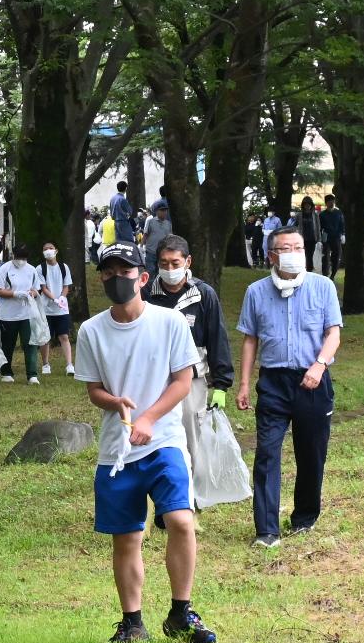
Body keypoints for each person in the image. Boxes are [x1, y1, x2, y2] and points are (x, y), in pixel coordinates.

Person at [74, 243, 209, 643]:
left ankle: (181, 612)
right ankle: (132, 622)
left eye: (126, 270)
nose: (118, 278)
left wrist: (149, 418)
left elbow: (183, 381)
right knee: (127, 537)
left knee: (182, 522)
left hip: (164, 440)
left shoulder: (169, 322)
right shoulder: (91, 330)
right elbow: (93, 389)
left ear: (143, 277)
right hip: (117, 450)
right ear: (101, 278)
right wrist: (115, 403)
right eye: (109, 271)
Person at [236, 228, 341, 548]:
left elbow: (333, 333)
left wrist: (319, 365)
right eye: (285, 248)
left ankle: (304, 518)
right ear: (271, 255)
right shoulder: (256, 291)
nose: (294, 252)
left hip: (313, 381)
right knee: (267, 453)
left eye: (298, 246)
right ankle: (266, 529)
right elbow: (250, 339)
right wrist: (243, 383)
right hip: (273, 382)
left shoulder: (323, 287)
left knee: (312, 453)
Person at [146, 237, 235, 465]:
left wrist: (221, 384)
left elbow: (217, 337)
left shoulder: (203, 294)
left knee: (191, 441)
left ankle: (190, 497)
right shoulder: (147, 294)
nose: (169, 269)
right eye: (164, 264)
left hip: (191, 381)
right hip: (155, 379)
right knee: (155, 440)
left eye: (175, 264)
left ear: (187, 261)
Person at [0, 243, 44, 384]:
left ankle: (32, 374)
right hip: (8, 314)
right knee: (8, 344)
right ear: (13, 255)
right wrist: (15, 294)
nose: (21, 260)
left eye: (24, 258)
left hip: (27, 313)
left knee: (30, 343)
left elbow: (37, 289)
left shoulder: (31, 270)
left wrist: (30, 294)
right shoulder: (5, 269)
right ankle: (6, 372)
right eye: (18, 257)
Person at [37, 241, 75, 375]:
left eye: (50, 248)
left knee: (64, 336)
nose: (48, 251)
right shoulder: (40, 268)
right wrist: (54, 299)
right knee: (45, 337)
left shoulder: (64, 267)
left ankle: (69, 364)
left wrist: (62, 298)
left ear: (56, 251)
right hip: (46, 308)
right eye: (45, 249)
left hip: (62, 309)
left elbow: (66, 286)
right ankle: (46, 364)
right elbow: (43, 288)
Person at [320, 195, 346, 276]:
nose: (331, 203)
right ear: (326, 203)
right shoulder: (322, 214)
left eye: (333, 201)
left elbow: (342, 224)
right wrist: (321, 236)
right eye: (329, 201)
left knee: (337, 256)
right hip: (326, 238)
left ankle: (333, 275)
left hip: (337, 237)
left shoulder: (338, 213)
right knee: (326, 257)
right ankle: (325, 274)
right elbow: (320, 227)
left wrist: (343, 234)